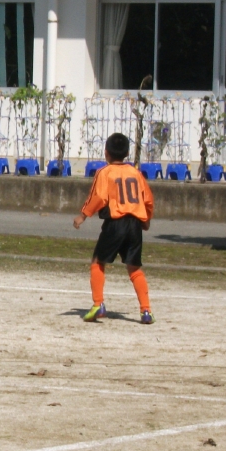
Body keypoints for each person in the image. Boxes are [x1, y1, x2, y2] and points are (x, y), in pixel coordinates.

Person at [73, 132, 155, 324]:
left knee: (97, 262)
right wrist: (146, 219)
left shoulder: (105, 172)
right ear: (126, 153)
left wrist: (83, 215)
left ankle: (98, 304)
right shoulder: (135, 173)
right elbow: (148, 199)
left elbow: (99, 197)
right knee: (134, 268)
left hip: (115, 223)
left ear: (106, 152)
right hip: (134, 224)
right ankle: (146, 311)